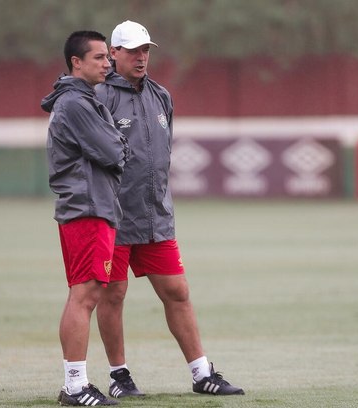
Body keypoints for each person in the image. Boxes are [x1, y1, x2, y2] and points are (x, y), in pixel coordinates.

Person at [95, 20, 244, 398]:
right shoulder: (99, 97)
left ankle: (201, 373)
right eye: (132, 51)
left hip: (155, 215)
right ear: (113, 54)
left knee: (177, 290)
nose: (141, 57)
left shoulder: (161, 95)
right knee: (113, 294)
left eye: (145, 50)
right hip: (112, 216)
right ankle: (119, 377)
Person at [40, 30, 130, 406]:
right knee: (86, 294)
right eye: (98, 58)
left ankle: (75, 384)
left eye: (107, 59)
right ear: (76, 62)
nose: (107, 64)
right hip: (88, 206)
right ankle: (75, 386)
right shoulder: (76, 103)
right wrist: (118, 142)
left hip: (91, 206)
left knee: (85, 293)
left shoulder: (83, 100)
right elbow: (114, 151)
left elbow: (113, 147)